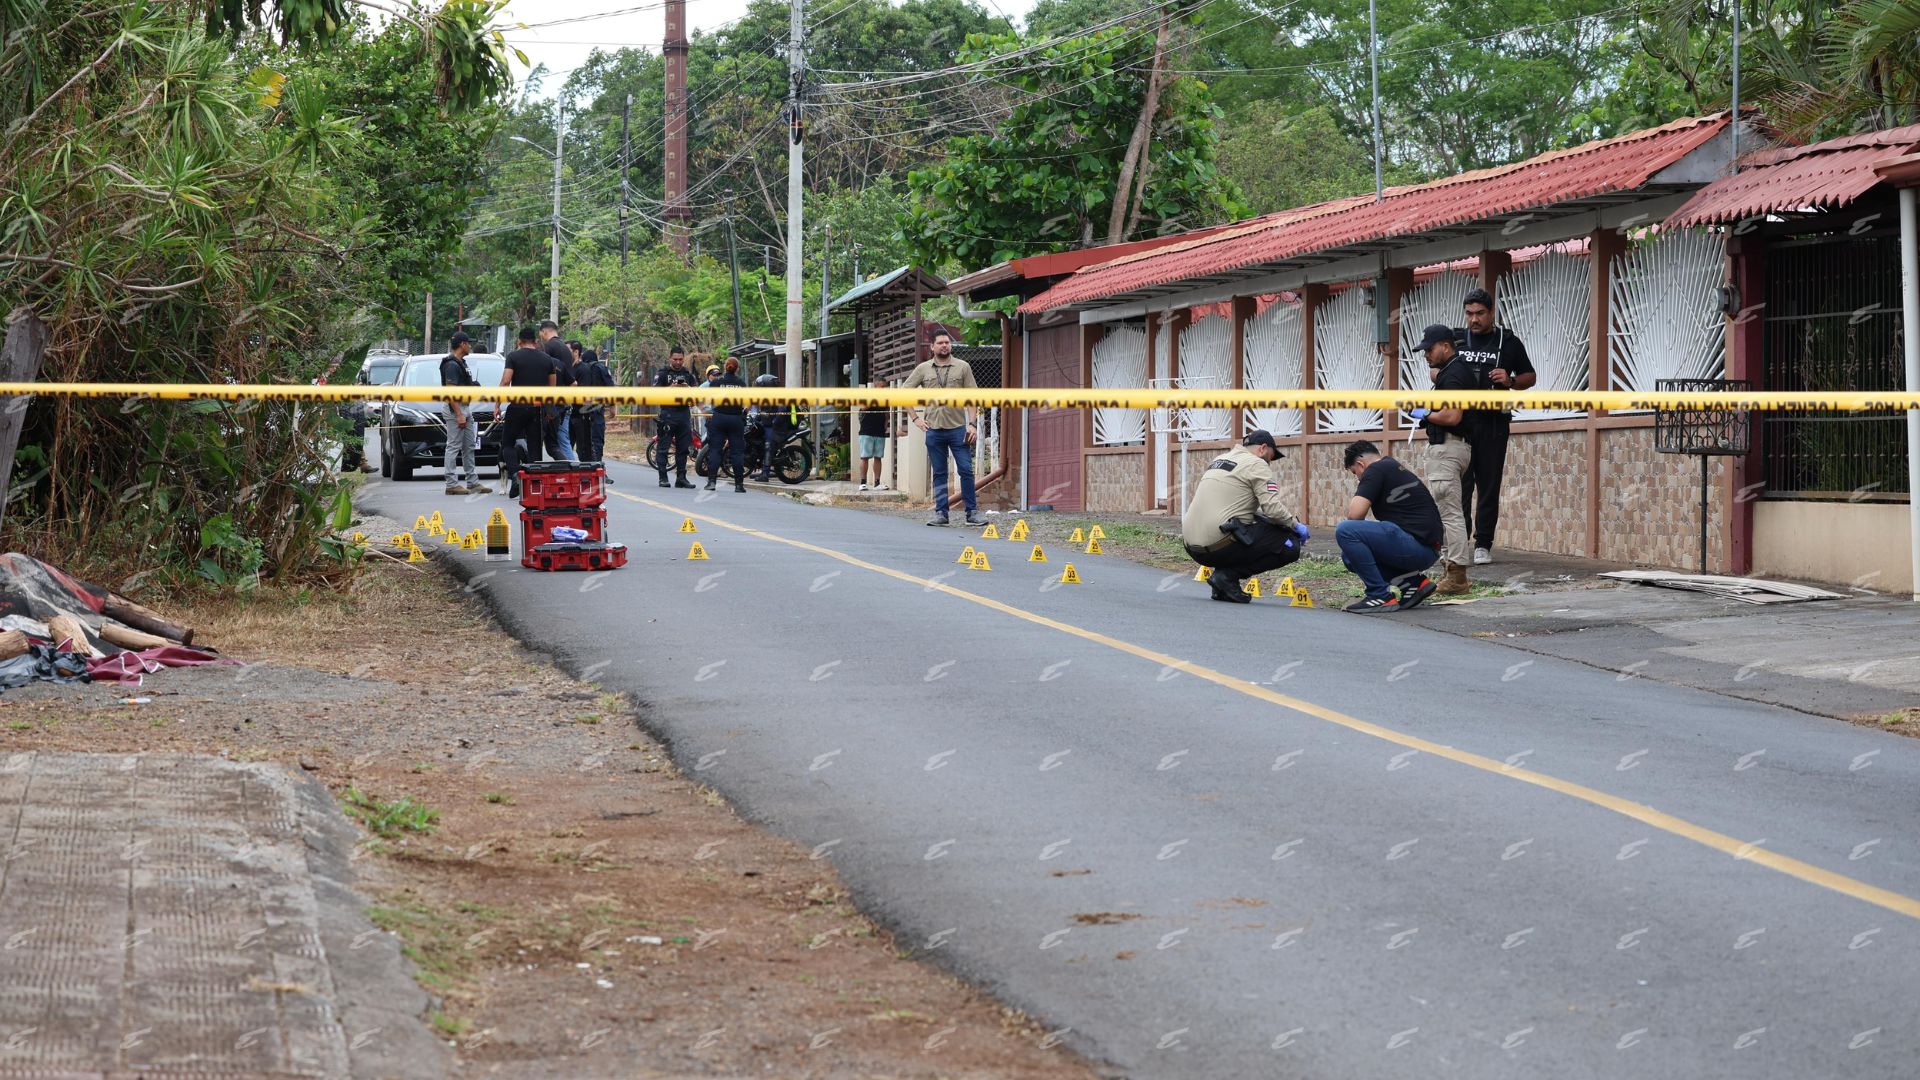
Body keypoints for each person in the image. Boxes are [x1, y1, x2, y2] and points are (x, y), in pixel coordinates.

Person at [1453, 288, 1534, 566]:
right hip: (1460, 423)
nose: (1474, 319)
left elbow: (1529, 376)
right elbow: (1435, 367)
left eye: (1479, 313)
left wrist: (1509, 380)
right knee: (1460, 485)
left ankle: (1483, 544)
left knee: (1488, 485)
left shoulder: (1507, 342)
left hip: (1493, 423)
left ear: (1491, 313)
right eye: (1469, 313)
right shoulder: (1456, 339)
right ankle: (1458, 540)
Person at [1180, 430, 1308, 604]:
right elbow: (1272, 509)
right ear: (1263, 449)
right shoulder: (1257, 463)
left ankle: (1223, 585)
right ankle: (1226, 576)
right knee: (1290, 544)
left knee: (1254, 526)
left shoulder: (1219, 459)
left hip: (1190, 544)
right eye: (1270, 457)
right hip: (1219, 544)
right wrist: (1295, 525)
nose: (1269, 463)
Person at [1408, 323, 1482, 596]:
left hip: (1448, 449)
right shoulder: (1452, 372)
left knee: (1450, 514)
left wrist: (1424, 414)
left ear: (1446, 346)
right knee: (1448, 512)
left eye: (1429, 349)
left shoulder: (1454, 375)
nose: (1426, 354)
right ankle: (1451, 573)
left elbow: (1452, 417)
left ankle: (1458, 575)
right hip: (1453, 449)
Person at [1336, 441, 1443, 613]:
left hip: (1416, 546)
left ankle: (1379, 595)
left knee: (1346, 530)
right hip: (1425, 549)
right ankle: (1413, 583)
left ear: (1360, 464)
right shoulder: (1390, 467)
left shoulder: (1375, 470)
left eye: (1355, 473)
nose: (1358, 478)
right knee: (1349, 556)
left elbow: (1355, 515)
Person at [902, 331, 985, 527]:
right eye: (940, 343)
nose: (944, 346)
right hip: (934, 430)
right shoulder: (923, 369)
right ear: (932, 347)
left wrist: (972, 424)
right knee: (939, 472)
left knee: (965, 470)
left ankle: (971, 512)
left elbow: (972, 397)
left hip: (958, 429)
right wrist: (915, 419)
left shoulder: (962, 367)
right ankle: (941, 513)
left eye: (947, 342)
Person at [497, 327, 557, 500]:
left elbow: (505, 381)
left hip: (517, 406)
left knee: (507, 443)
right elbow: (551, 388)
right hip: (536, 408)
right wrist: (549, 409)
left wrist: (497, 405)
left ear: (519, 341)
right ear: (536, 342)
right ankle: (535, 487)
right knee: (535, 447)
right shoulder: (547, 359)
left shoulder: (513, 357)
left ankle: (515, 475)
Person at [438, 332, 487, 495]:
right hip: (455, 409)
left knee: (469, 446)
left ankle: (472, 482)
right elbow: (451, 392)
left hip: (465, 408)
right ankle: (451, 484)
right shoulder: (451, 365)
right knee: (453, 446)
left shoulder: (461, 363)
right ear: (462, 345)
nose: (470, 346)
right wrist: (459, 414)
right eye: (468, 343)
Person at [652, 346, 698, 489]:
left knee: (683, 448)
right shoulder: (663, 373)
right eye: (675, 359)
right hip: (668, 413)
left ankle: (681, 478)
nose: (678, 362)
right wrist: (670, 388)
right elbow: (654, 393)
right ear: (670, 358)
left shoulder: (688, 374)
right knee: (664, 447)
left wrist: (687, 389)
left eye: (680, 359)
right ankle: (663, 477)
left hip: (684, 413)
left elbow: (697, 394)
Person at [704, 357, 749, 492]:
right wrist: (743, 413)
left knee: (715, 450)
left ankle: (712, 482)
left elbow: (709, 399)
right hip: (736, 419)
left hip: (719, 418)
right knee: (737, 452)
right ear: (737, 368)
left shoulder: (717, 382)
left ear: (725, 367)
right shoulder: (741, 383)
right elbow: (747, 404)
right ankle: (739, 485)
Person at [537, 320, 577, 461]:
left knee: (555, 442)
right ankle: (571, 469)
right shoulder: (566, 348)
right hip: (565, 400)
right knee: (562, 439)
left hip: (552, 403)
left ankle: (573, 471)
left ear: (544, 332)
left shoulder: (548, 347)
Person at [575, 347, 613, 472]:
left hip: (581, 410)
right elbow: (610, 387)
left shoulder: (581, 369)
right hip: (597, 409)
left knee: (583, 440)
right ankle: (598, 466)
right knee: (597, 439)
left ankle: (586, 466)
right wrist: (612, 406)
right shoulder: (601, 368)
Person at [751, 374, 795, 481]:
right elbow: (762, 412)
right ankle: (760, 467)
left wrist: (774, 421)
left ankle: (765, 474)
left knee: (768, 445)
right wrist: (754, 420)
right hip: (767, 425)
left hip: (777, 427)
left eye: (760, 386)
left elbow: (782, 411)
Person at [857, 378, 889, 491]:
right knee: (864, 457)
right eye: (882, 387)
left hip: (880, 431)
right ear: (876, 386)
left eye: (885, 387)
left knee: (878, 457)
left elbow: (886, 412)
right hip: (866, 431)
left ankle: (877, 482)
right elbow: (863, 407)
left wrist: (886, 422)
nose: (884, 389)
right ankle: (863, 482)